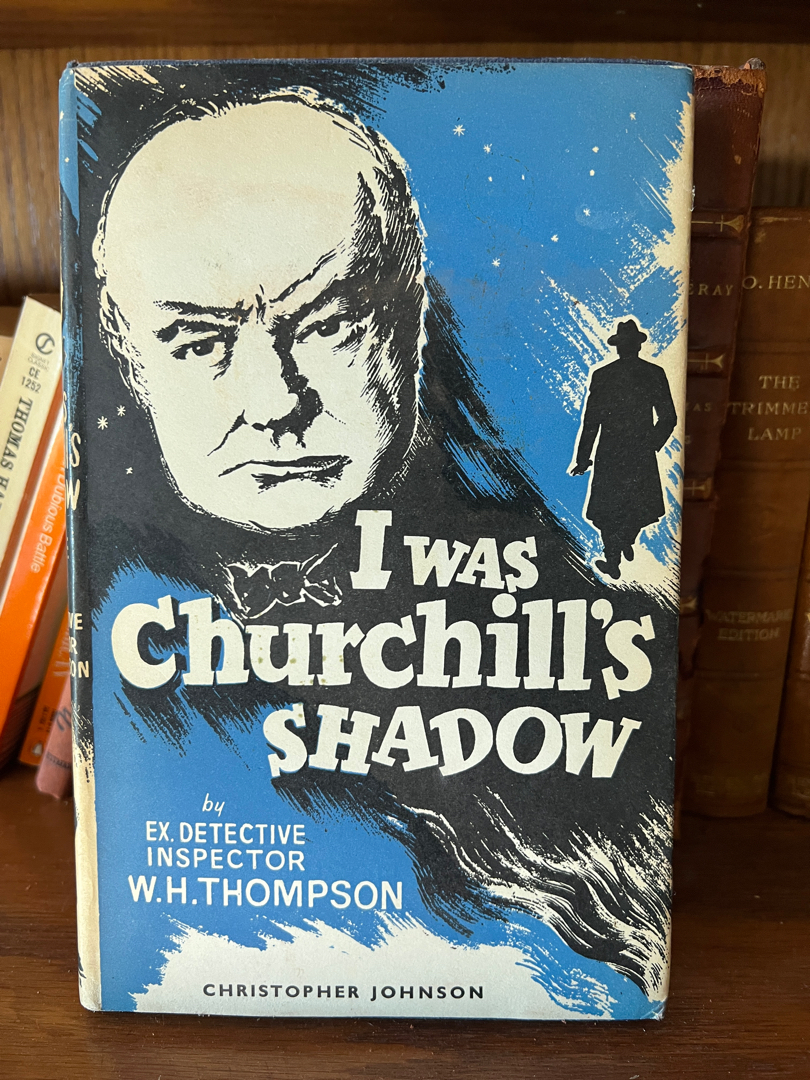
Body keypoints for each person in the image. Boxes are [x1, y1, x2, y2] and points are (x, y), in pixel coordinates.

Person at [570, 319, 677, 579]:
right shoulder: (653, 372)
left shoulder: (603, 375)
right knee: (636, 505)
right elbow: (668, 418)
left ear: (620, 347)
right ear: (637, 346)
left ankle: (617, 550)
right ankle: (621, 547)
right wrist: (650, 444)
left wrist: (583, 459)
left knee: (609, 509)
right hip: (636, 453)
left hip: (611, 453)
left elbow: (591, 423)